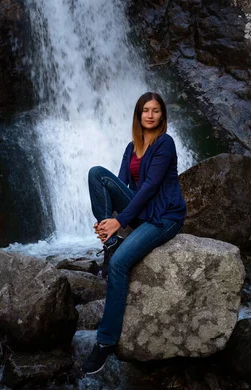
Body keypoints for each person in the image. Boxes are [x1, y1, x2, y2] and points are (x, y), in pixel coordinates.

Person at [82, 92, 187, 374]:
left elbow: (150, 187)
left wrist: (120, 221)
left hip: (164, 217)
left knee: (118, 265)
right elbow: (119, 184)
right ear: (138, 115)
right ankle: (111, 243)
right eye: (145, 110)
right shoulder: (132, 147)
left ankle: (104, 343)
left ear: (162, 116)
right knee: (96, 173)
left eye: (155, 111)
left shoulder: (165, 144)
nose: (150, 115)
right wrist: (108, 224)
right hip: (142, 213)